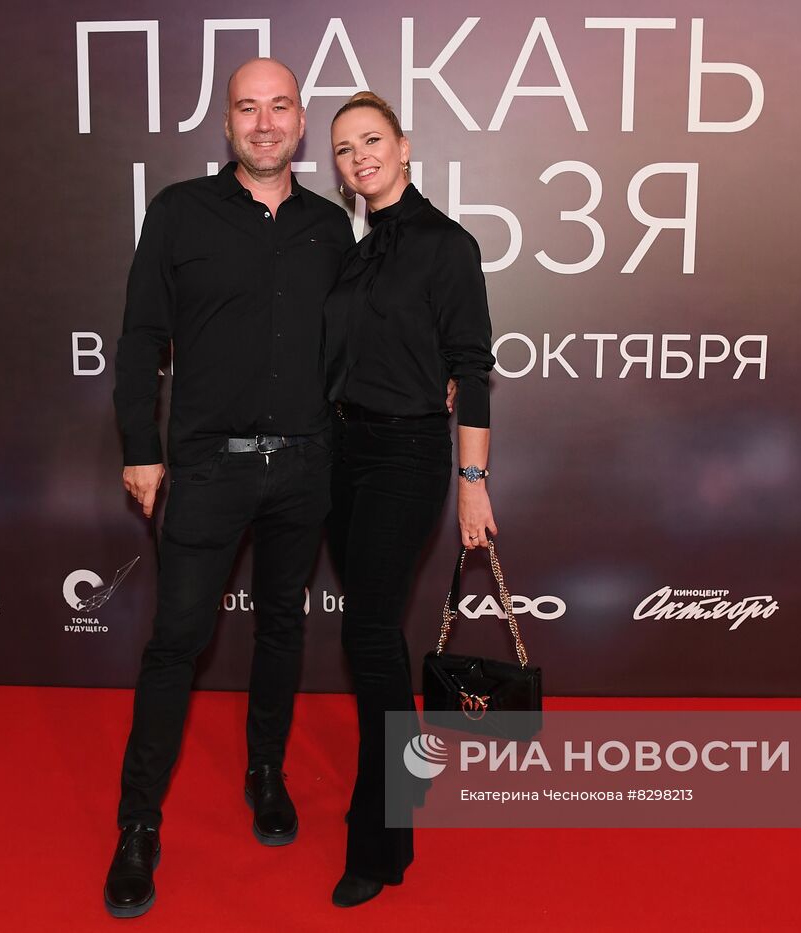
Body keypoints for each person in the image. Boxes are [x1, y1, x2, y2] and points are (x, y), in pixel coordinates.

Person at [104, 58, 354, 919]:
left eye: (279, 107)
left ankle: (265, 772)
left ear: (300, 121)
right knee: (176, 642)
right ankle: (138, 825)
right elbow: (141, 337)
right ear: (227, 123)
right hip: (209, 466)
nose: (264, 122)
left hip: (306, 466)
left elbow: (352, 344)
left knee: (282, 626)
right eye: (248, 107)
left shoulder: (331, 226)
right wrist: (142, 446)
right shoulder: (179, 212)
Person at [323, 91, 497, 908]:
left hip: (408, 454)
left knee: (367, 632)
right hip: (340, 454)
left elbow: (474, 371)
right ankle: (409, 767)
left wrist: (473, 483)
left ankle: (382, 835)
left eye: (371, 139)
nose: (359, 156)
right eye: (345, 148)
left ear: (403, 145)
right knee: (378, 633)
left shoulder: (447, 246)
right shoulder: (351, 254)